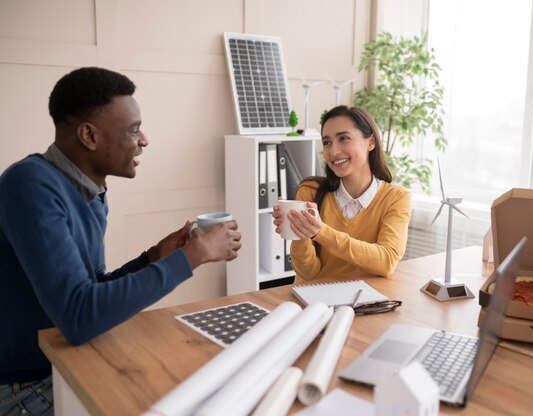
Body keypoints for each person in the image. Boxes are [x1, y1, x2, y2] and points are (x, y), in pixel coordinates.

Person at [0, 67, 241, 415]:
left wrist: (155, 257)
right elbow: (80, 315)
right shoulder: (30, 186)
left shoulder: (90, 192)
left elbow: (91, 292)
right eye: (133, 129)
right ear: (89, 135)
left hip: (62, 361)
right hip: (25, 387)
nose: (144, 140)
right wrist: (193, 255)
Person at [272, 105, 411, 283]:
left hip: (364, 301)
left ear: (371, 142)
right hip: (315, 302)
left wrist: (320, 231)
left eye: (344, 138)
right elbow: (307, 273)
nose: (333, 152)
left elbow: (386, 262)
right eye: (327, 142)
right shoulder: (310, 191)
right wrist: (300, 233)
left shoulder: (396, 198)